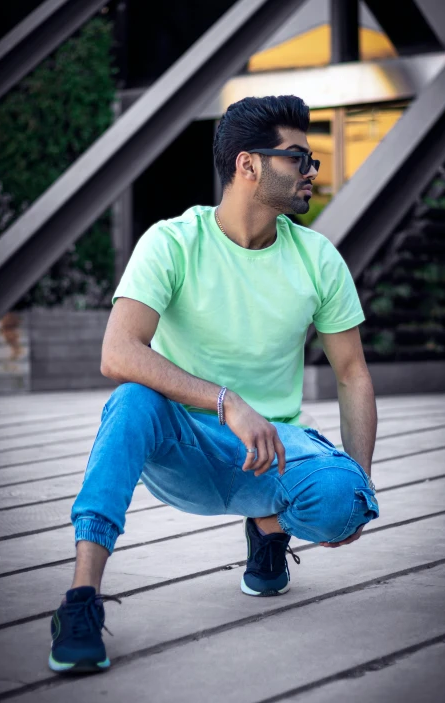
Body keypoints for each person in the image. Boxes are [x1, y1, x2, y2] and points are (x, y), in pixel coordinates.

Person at [49, 95, 379, 674]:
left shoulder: (318, 258)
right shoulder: (173, 242)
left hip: (273, 450)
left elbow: (352, 373)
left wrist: (360, 480)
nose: (311, 171)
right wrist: (225, 403)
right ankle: (80, 598)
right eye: (298, 158)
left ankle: (268, 530)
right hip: (185, 447)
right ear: (248, 165)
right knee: (130, 400)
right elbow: (118, 351)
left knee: (343, 501)